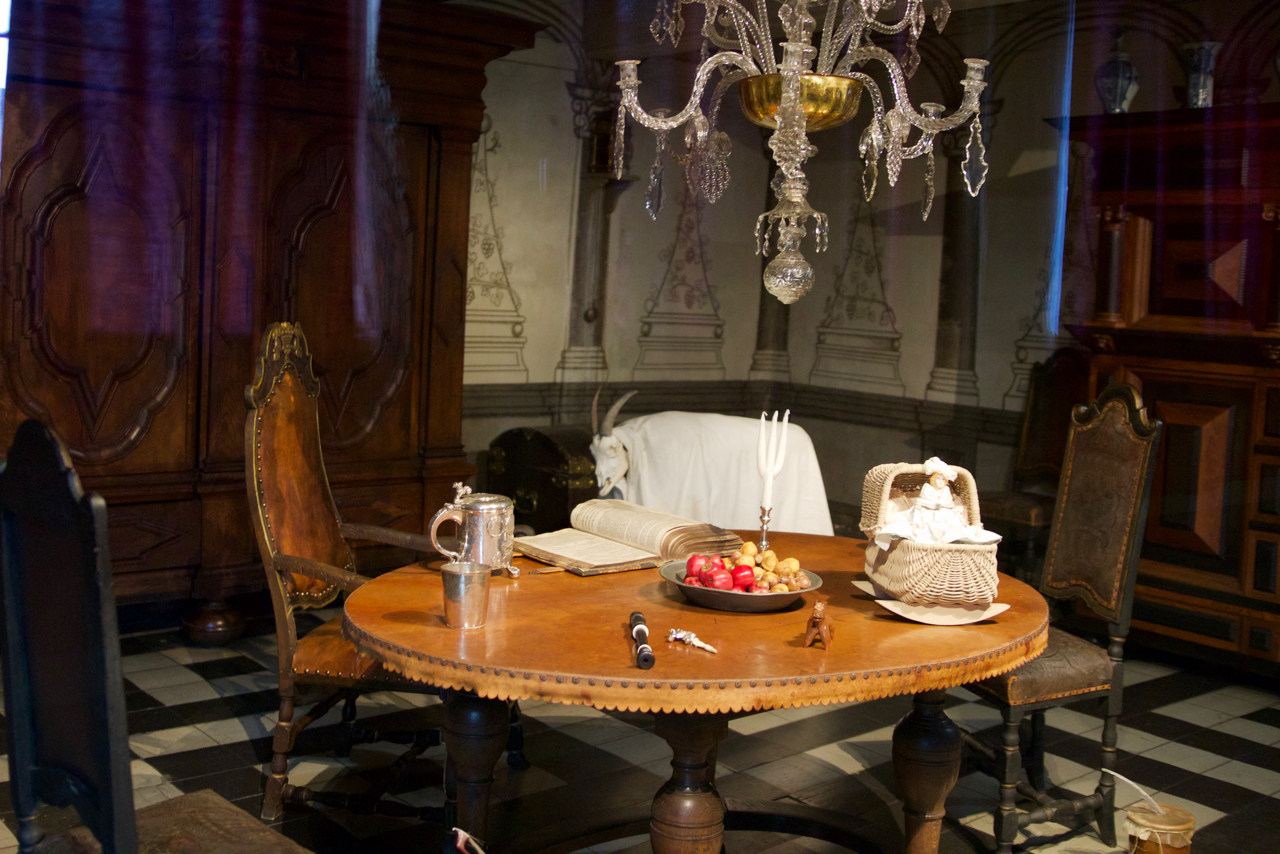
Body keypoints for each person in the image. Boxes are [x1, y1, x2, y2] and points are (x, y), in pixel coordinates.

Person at [874, 457, 1002, 550]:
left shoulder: (946, 491)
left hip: (945, 513)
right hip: (927, 512)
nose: (940, 482)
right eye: (938, 479)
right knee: (925, 528)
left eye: (943, 479)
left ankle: (955, 540)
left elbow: (950, 506)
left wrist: (959, 519)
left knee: (954, 528)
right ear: (932, 480)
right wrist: (916, 520)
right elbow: (921, 504)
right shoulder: (927, 489)